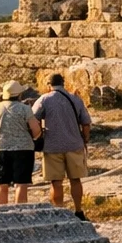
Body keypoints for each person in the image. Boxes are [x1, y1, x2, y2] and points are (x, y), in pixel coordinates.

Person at [31, 73, 93, 220]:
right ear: (63, 83)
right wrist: (85, 139)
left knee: (56, 182)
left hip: (53, 146)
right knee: (75, 180)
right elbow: (86, 122)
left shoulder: (44, 99)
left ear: (49, 85)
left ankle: (59, 212)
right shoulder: (75, 99)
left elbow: (34, 118)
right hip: (74, 144)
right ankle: (78, 210)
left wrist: (39, 136)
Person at [0, 81, 41, 205]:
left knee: (1, 184)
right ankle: (20, 211)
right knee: (21, 183)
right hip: (23, 149)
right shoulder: (25, 109)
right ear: (19, 94)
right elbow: (36, 130)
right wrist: (34, 137)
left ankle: (0, 213)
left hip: (1, 148)